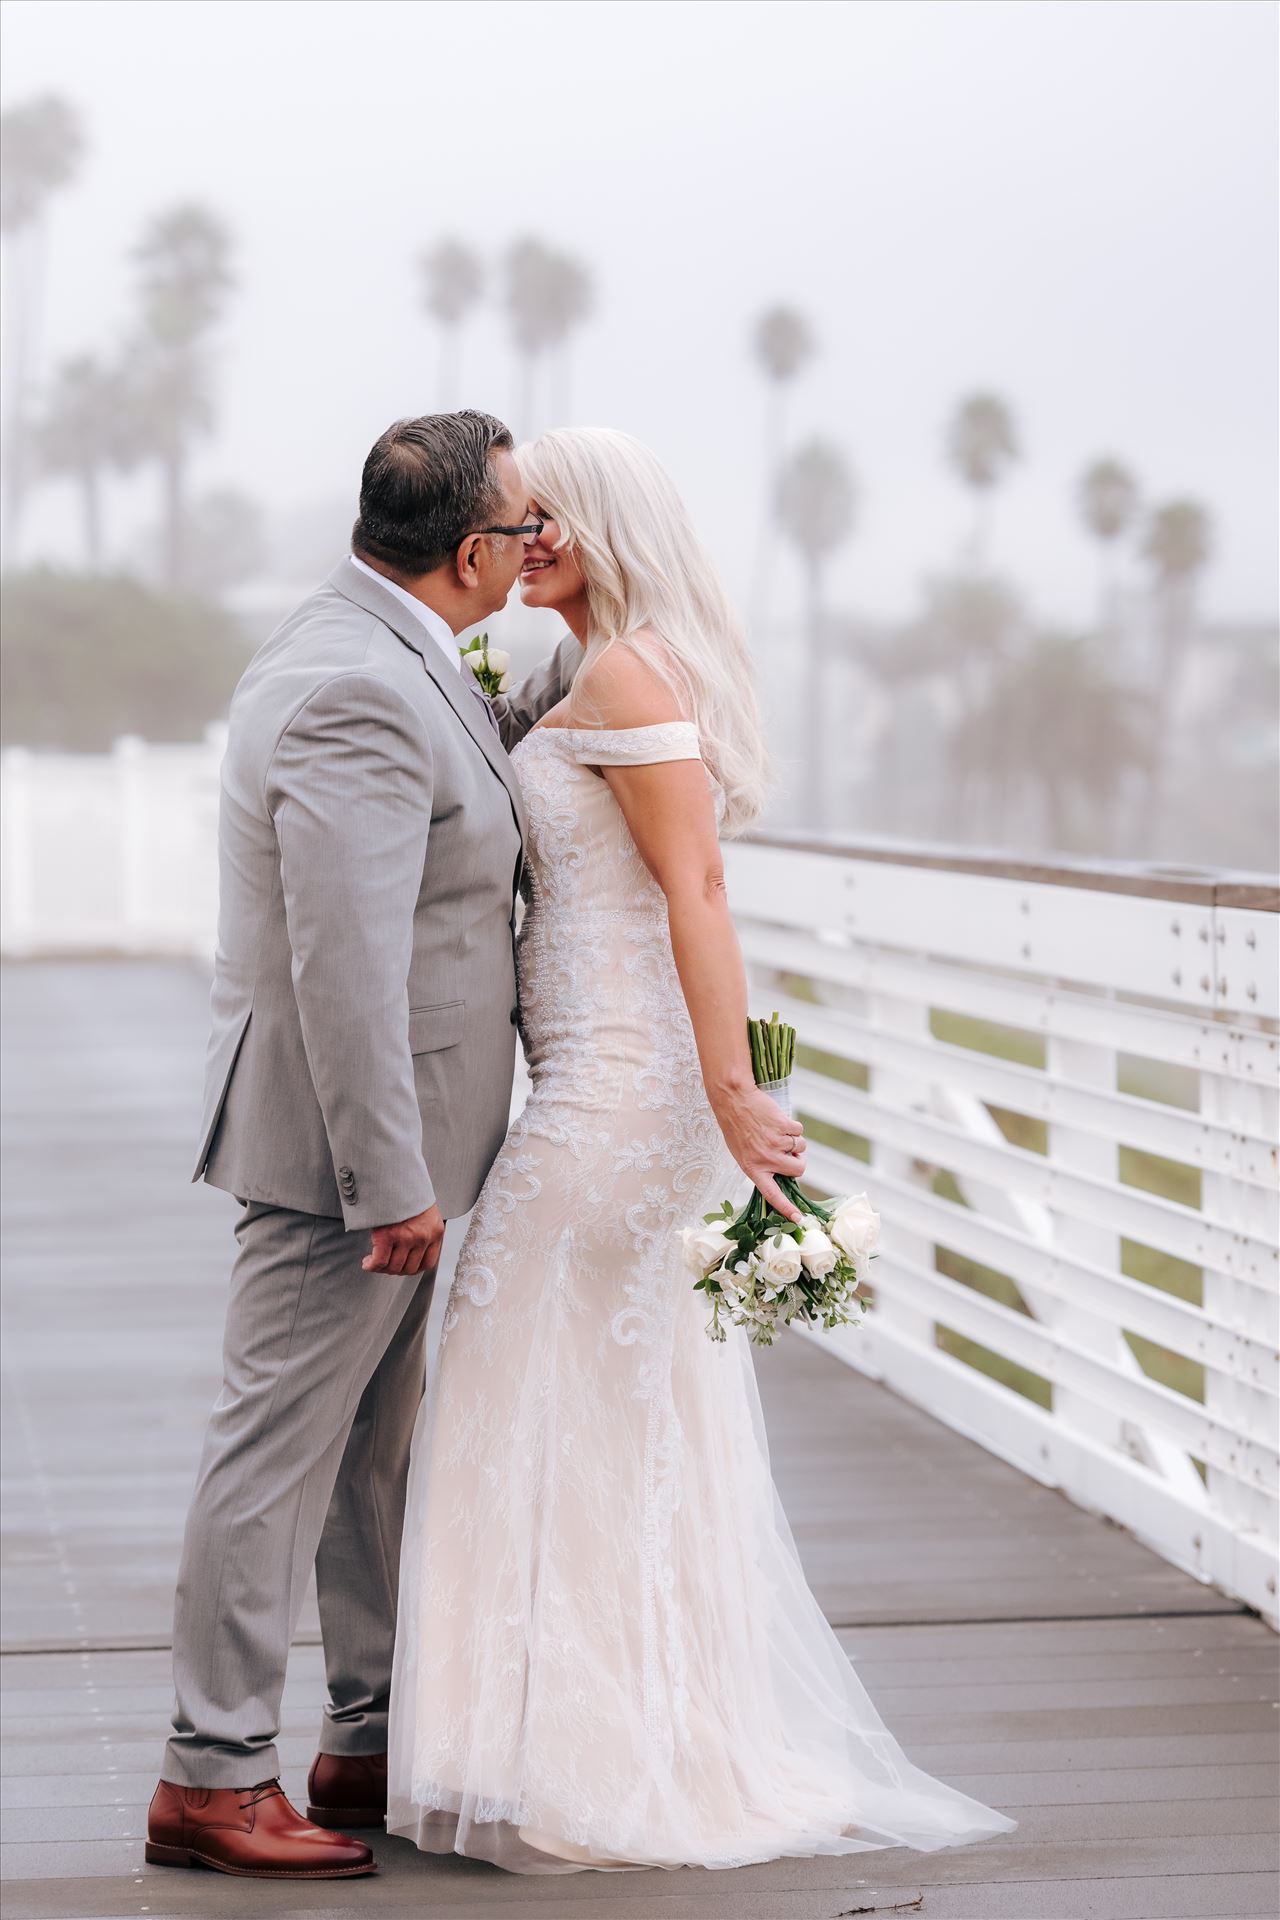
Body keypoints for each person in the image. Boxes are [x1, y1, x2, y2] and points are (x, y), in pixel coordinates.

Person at [386, 427, 1017, 1871]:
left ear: (608, 523)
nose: (525, 539)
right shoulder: (572, 671)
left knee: (518, 1383)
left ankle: (578, 1755)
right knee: (603, 1407)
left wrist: (733, 1097)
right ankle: (589, 1738)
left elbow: (700, 887)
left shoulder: (625, 672)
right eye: (516, 520)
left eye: (549, 519)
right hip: (599, 1079)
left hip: (618, 1091)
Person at [146, 411, 578, 1879]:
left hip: (409, 1145)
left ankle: (366, 1736)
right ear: (469, 552)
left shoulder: (387, 651)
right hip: (350, 1154)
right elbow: (343, 960)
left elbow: (455, 813)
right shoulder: (352, 686)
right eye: (525, 529)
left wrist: (583, 656)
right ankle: (211, 1777)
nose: (536, 544)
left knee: (370, 1453)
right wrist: (388, 1179)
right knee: (275, 1454)